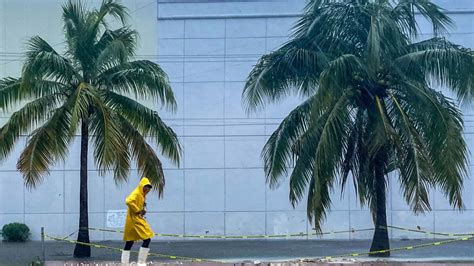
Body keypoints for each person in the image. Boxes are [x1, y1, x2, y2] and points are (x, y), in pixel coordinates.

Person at [121, 177, 154, 265]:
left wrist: (142, 209)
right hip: (135, 220)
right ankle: (141, 263)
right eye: (146, 186)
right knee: (147, 239)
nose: (148, 189)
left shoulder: (142, 195)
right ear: (142, 186)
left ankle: (124, 263)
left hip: (134, 220)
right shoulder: (136, 193)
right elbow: (128, 201)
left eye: (149, 187)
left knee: (129, 242)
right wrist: (137, 210)